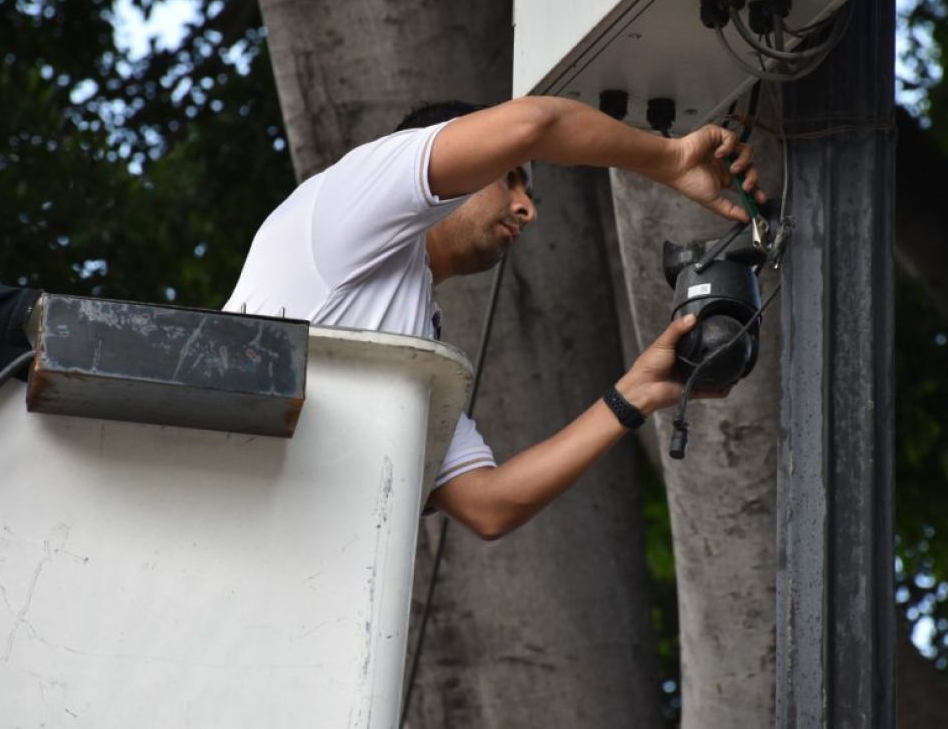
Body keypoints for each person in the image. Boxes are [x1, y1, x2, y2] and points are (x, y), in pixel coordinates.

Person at [224, 95, 763, 539]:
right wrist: (667, 159)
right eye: (510, 178)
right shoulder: (353, 194)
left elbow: (489, 505)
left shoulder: (407, 338)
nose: (528, 208)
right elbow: (535, 122)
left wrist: (638, 392)